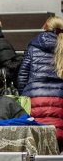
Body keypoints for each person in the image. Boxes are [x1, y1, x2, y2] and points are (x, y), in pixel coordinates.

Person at [18, 16, 63, 150]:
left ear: (45, 27)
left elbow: (22, 76)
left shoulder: (33, 45)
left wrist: (26, 95)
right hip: (60, 98)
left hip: (35, 98)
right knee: (58, 138)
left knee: (36, 139)